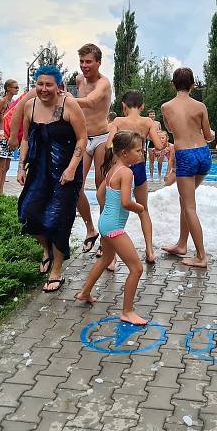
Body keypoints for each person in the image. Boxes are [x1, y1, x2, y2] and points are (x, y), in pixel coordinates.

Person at [17, 65, 87, 293]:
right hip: (39, 170)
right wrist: (20, 166)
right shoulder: (30, 106)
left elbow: (82, 139)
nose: (43, 89)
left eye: (48, 85)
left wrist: (72, 168)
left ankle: (56, 270)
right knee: (27, 211)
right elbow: (26, 139)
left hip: (66, 172)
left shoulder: (69, 105)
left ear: (58, 86)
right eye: (39, 84)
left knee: (59, 219)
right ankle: (45, 248)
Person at [75, 131, 148, 325]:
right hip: (114, 228)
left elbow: (100, 196)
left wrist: (109, 211)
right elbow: (125, 202)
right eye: (138, 151)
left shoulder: (112, 169)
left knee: (106, 259)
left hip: (105, 223)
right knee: (136, 268)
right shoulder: (127, 172)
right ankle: (127, 311)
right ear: (125, 153)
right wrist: (139, 208)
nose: (141, 154)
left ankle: (84, 293)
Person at [160, 67, 214, 268]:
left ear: (173, 85)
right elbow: (208, 135)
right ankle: (182, 244)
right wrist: (212, 135)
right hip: (203, 154)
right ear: (192, 85)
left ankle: (201, 256)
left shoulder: (166, 107)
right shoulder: (200, 106)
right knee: (186, 201)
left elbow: (170, 129)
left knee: (189, 206)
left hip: (184, 155)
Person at [104, 90, 163, 265]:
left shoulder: (118, 121)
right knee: (143, 209)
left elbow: (109, 145)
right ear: (142, 106)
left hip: (121, 168)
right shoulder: (147, 122)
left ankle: (112, 258)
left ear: (123, 106)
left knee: (113, 209)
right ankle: (150, 250)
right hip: (139, 167)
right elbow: (158, 146)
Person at [74, 44, 113, 253]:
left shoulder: (104, 83)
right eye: (81, 61)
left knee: (101, 188)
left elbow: (90, 102)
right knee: (75, 184)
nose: (84, 66)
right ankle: (90, 229)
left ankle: (106, 237)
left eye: (88, 61)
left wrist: (65, 100)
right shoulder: (79, 80)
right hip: (82, 138)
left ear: (98, 62)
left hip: (101, 138)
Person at [0, 79, 22, 195]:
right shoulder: (2, 101)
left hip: (10, 135)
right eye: (15, 87)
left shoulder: (14, 102)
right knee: (1, 165)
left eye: (17, 87)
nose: (17, 89)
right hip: (2, 134)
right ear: (8, 88)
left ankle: (1, 190)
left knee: (7, 166)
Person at [146, 110, 163, 180]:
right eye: (151, 114)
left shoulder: (158, 123)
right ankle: (151, 176)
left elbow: (161, 132)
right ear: (148, 115)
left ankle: (159, 175)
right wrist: (153, 138)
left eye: (153, 114)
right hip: (151, 142)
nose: (152, 115)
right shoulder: (146, 123)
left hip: (158, 142)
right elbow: (146, 134)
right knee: (151, 160)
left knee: (160, 160)